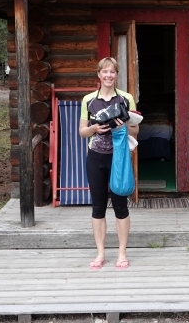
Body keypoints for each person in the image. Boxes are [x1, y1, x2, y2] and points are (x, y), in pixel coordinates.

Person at [78, 57, 138, 269]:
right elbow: (82, 132)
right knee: (98, 206)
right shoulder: (88, 100)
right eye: (105, 72)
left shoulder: (126, 98)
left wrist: (122, 127)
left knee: (121, 206)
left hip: (119, 157)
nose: (108, 75)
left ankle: (122, 252)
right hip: (95, 157)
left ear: (116, 75)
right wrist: (95, 128)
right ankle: (101, 253)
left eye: (112, 72)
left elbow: (136, 130)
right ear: (99, 74)